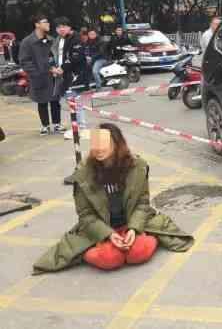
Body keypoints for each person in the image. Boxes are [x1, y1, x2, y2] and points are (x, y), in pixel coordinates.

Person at [33, 123, 194, 274]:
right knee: (110, 259)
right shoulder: (83, 173)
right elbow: (86, 215)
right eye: (96, 144)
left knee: (139, 252)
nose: (99, 149)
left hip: (129, 221)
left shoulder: (137, 166)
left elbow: (142, 203)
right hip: (101, 227)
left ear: (117, 144)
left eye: (104, 143)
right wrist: (109, 235)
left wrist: (133, 229)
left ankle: (140, 236)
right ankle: (91, 249)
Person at [19, 14, 65, 135]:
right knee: (42, 102)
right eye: (45, 22)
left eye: (47, 22)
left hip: (53, 76)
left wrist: (59, 68)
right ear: (37, 24)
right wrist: (38, 72)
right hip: (39, 77)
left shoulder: (51, 39)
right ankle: (45, 126)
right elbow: (24, 61)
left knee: (55, 101)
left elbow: (57, 56)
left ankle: (57, 124)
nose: (48, 24)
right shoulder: (27, 42)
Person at [51, 17, 85, 95]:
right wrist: (53, 68)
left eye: (64, 26)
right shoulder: (56, 40)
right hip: (59, 74)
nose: (61, 29)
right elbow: (52, 54)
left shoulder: (76, 38)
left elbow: (76, 56)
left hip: (74, 76)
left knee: (74, 99)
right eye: (58, 27)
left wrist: (62, 68)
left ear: (69, 27)